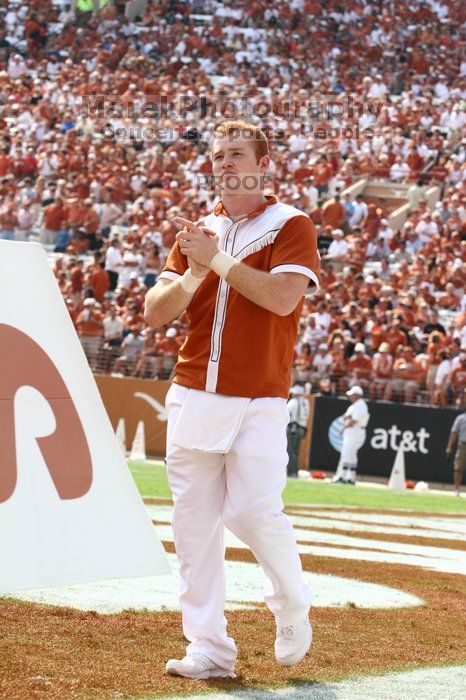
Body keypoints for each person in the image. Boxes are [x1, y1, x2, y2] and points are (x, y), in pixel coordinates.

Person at [144, 120, 320, 680]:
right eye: (217, 155)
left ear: (262, 164)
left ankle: (291, 604)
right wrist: (195, 270)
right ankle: (209, 650)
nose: (223, 162)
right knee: (193, 527)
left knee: (252, 511)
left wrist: (215, 261)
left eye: (236, 153)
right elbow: (155, 312)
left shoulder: (290, 223)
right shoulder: (197, 235)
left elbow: (281, 297)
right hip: (193, 391)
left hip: (260, 396)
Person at [332, 385, 370, 485]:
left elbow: (354, 420)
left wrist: (343, 428)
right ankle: (350, 477)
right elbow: (347, 415)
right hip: (352, 431)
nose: (350, 397)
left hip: (355, 431)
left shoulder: (361, 405)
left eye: (352, 395)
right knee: (351, 454)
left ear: (357, 395)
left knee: (347, 453)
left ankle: (342, 476)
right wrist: (347, 416)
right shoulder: (354, 405)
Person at [286, 384, 310, 477]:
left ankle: (291, 472)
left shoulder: (294, 401)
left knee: (290, 451)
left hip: (293, 428)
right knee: (296, 451)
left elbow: (286, 412)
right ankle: (295, 472)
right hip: (301, 429)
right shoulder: (306, 402)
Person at [446, 405, 466, 497]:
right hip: (463, 445)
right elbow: (454, 432)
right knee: (458, 468)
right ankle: (456, 490)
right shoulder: (460, 418)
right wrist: (449, 446)